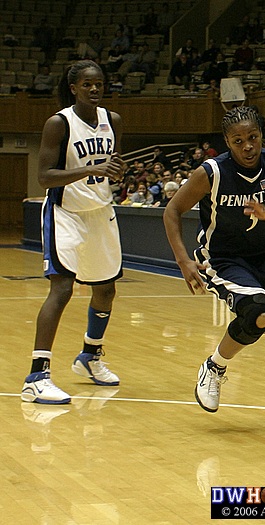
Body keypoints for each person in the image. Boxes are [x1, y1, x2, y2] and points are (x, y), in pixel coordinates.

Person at [162, 106, 265, 422]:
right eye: (238, 141)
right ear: (228, 142)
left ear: (261, 137)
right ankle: (214, 366)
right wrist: (183, 260)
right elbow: (172, 211)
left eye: (253, 137)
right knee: (257, 313)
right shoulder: (210, 173)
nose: (248, 146)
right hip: (224, 259)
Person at [21, 60, 126, 405]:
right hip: (65, 212)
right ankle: (37, 376)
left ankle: (90, 357)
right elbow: (45, 177)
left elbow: (110, 167)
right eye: (87, 85)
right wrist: (93, 167)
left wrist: (116, 172)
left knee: (106, 290)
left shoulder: (113, 122)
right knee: (62, 289)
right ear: (73, 88)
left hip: (100, 212)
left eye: (99, 84)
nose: (95, 89)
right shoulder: (59, 123)